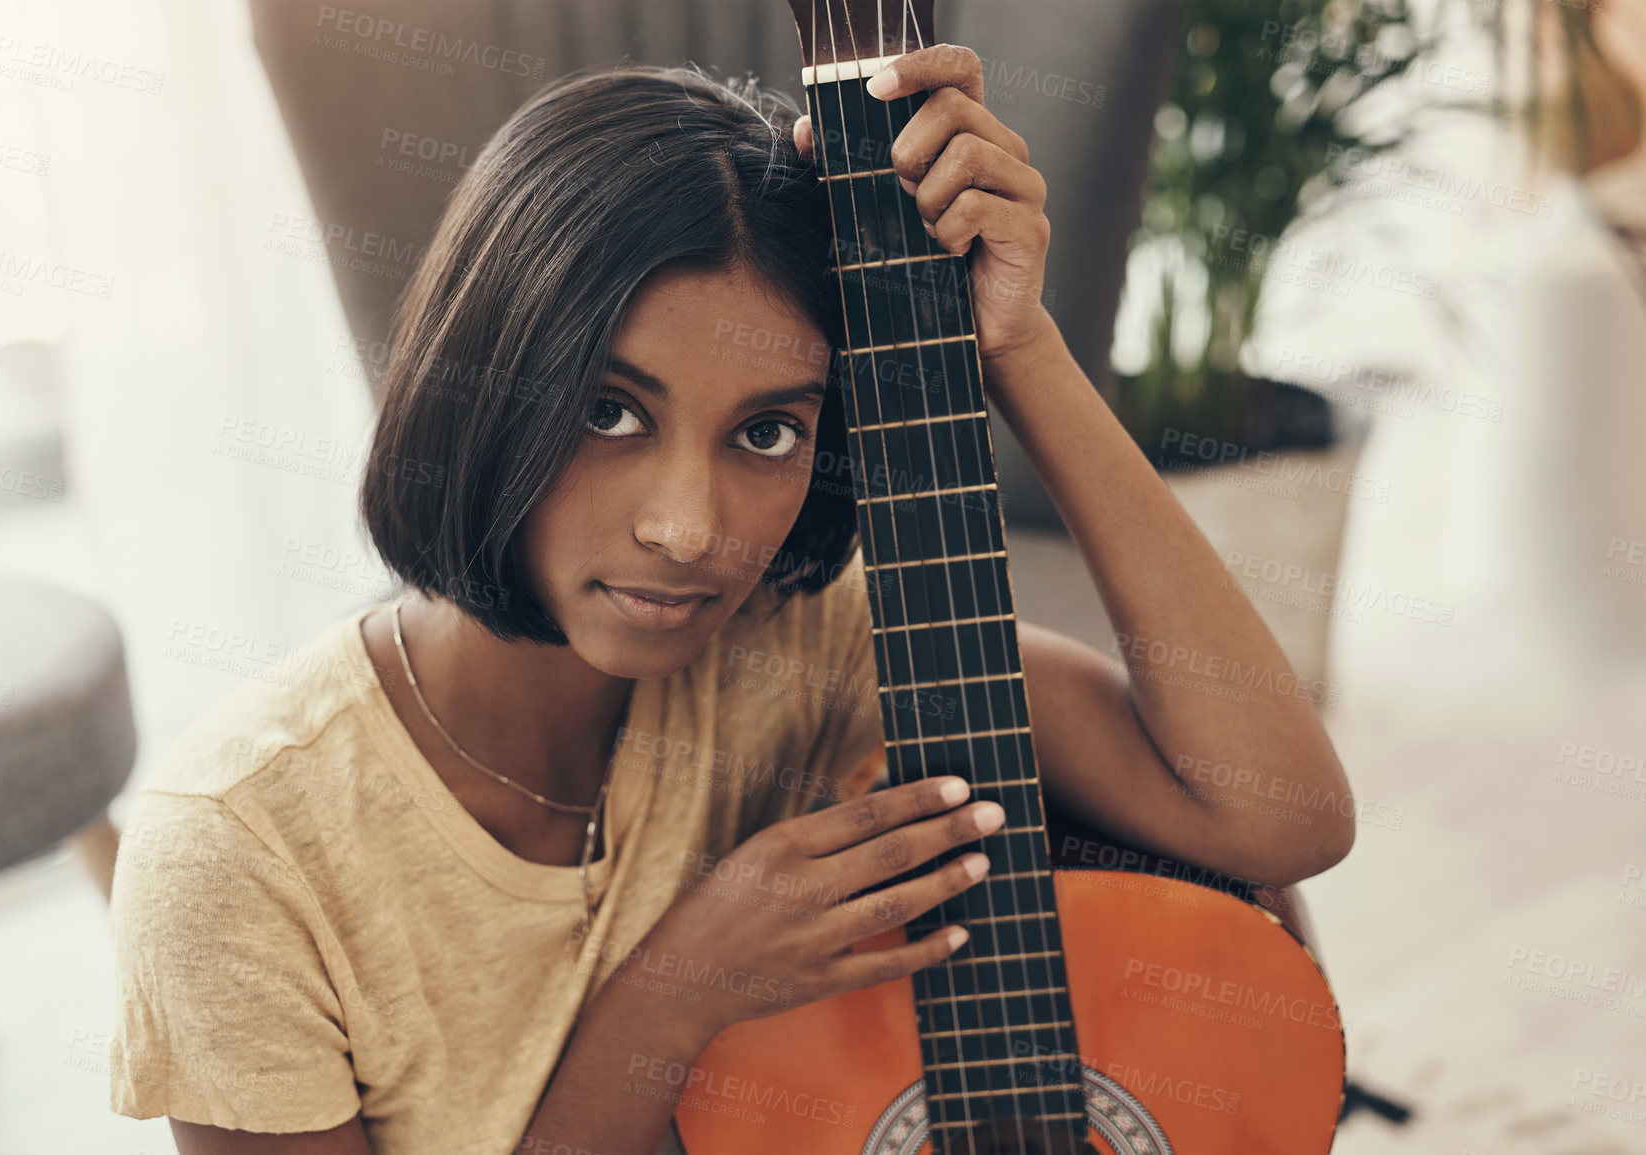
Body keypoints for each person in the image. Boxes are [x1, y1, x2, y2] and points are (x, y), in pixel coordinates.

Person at [107, 46, 1356, 1155]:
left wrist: (1020, 347)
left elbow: (1278, 819)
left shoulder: (817, 644)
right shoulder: (235, 858)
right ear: (479, 386)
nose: (690, 532)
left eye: (766, 433)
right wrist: (678, 989)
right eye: (611, 413)